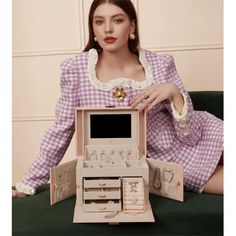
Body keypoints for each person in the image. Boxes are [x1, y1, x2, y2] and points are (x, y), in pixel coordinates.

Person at [13, 0, 223, 197]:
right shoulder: (75, 70)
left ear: (131, 27)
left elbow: (191, 137)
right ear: (93, 29)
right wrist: (29, 183)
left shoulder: (160, 64)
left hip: (201, 136)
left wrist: (173, 91)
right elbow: (60, 131)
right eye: (99, 21)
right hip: (165, 164)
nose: (108, 29)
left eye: (118, 20)